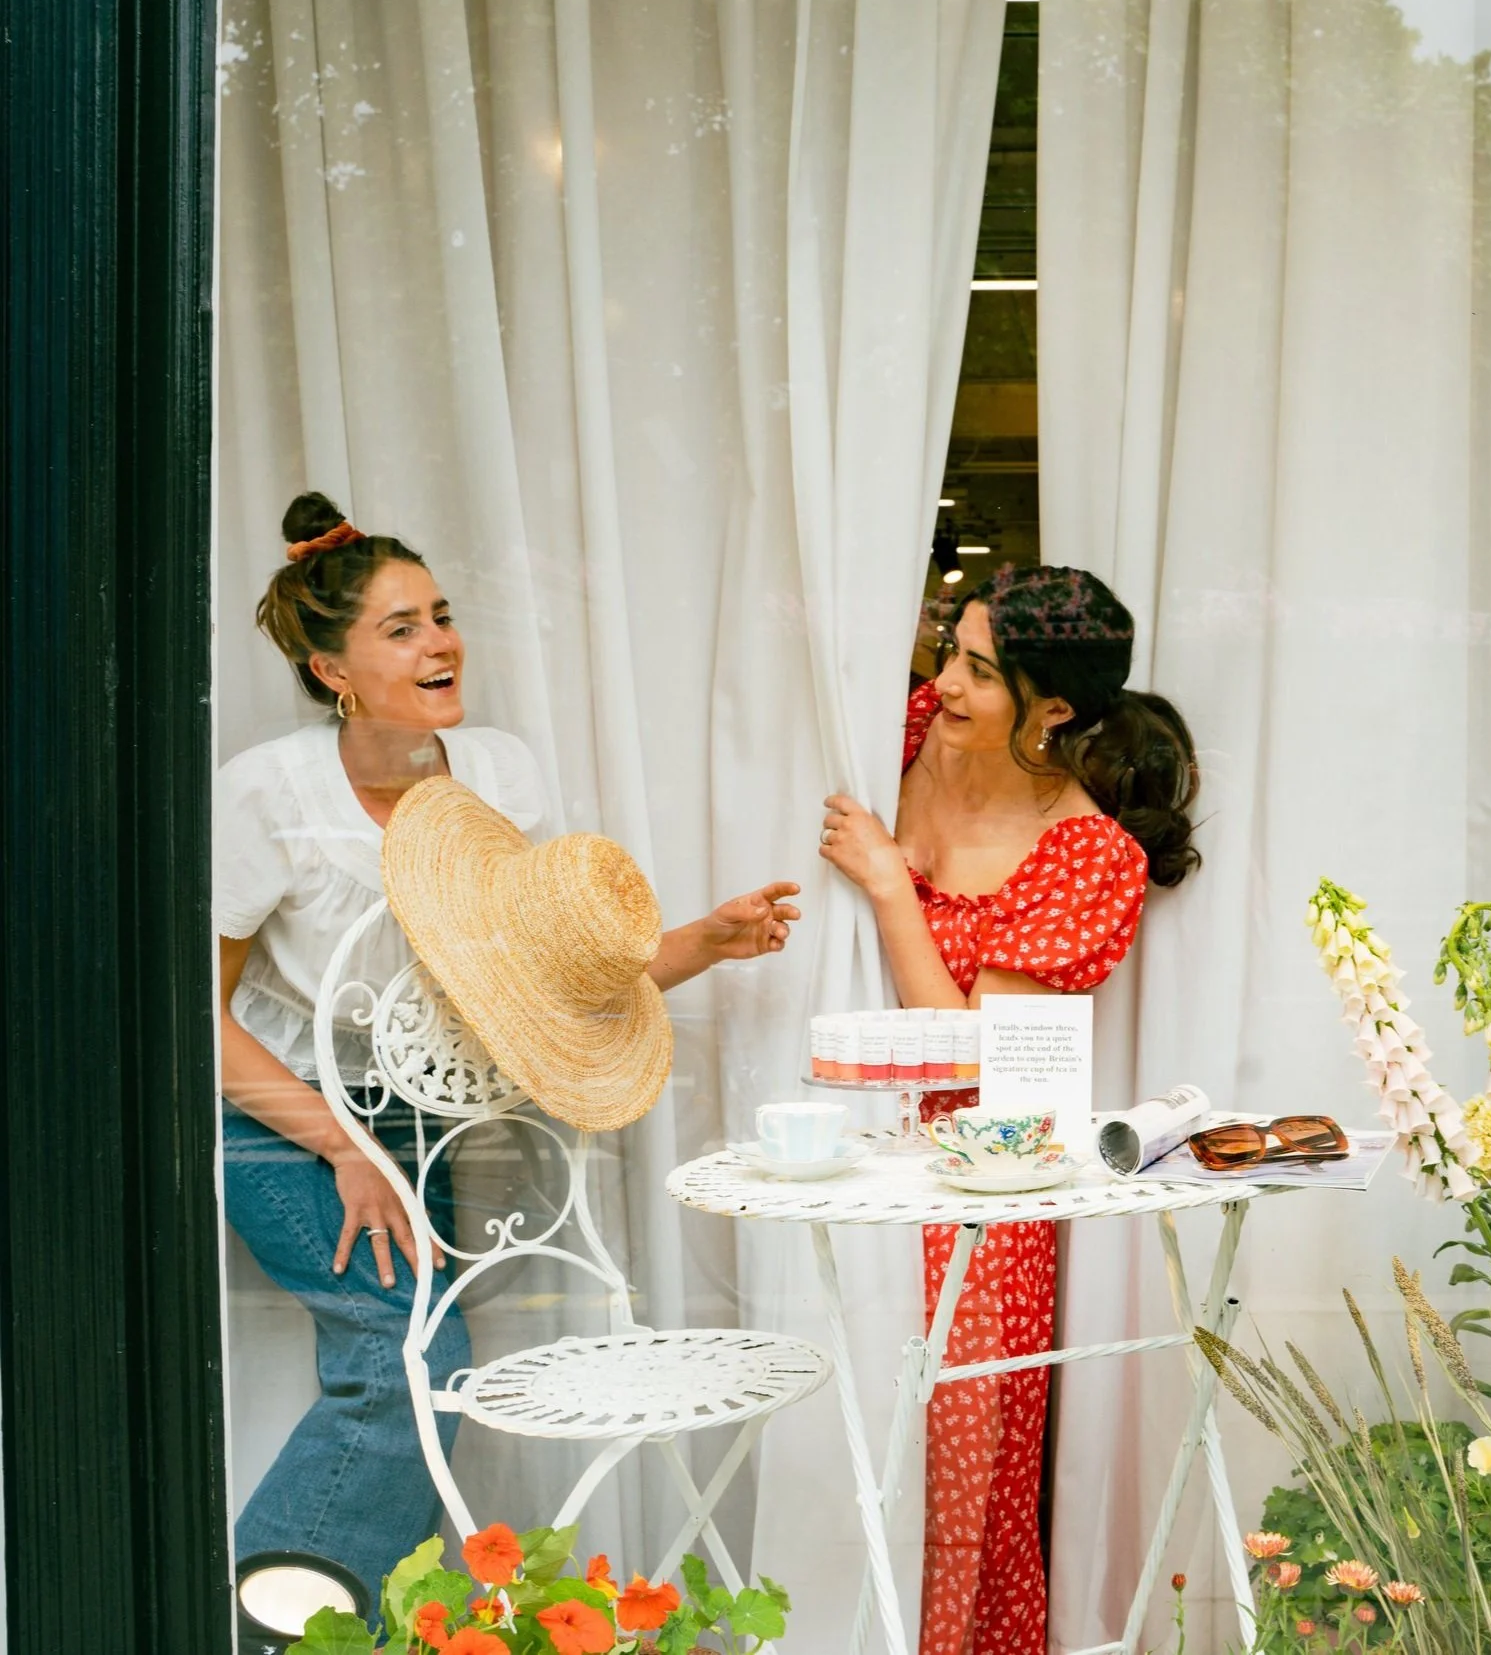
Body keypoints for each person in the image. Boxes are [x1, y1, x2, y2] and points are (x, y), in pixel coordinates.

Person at [216, 492, 804, 1592]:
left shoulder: (494, 772)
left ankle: (361, 1620)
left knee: (412, 1373)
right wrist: (342, 1147)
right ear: (330, 666)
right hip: (280, 1112)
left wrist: (704, 942)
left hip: (424, 1121)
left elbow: (535, 982)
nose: (440, 641)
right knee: (409, 1365)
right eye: (400, 628)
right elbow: (192, 1014)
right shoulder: (267, 795)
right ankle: (264, 1614)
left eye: (439, 614)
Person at [818, 564, 1200, 1655]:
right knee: (844, 1439)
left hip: (977, 1182)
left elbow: (981, 1053)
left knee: (953, 1456)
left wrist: (892, 885)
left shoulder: (1090, 855)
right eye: (949, 650)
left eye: (979, 671)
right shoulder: (903, 730)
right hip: (855, 1147)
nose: (942, 683)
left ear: (1057, 709)